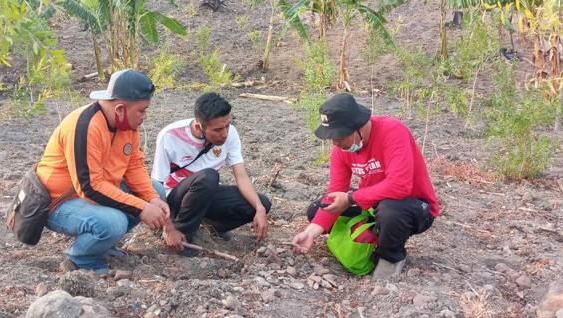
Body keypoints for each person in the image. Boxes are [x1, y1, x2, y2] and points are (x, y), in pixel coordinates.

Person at [36, 69, 186, 275]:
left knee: (156, 191)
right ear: (120, 108)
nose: (145, 116)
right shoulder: (85, 126)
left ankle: (102, 246)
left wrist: (151, 199)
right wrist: (141, 207)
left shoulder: (127, 124)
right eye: (142, 110)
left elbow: (133, 166)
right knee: (114, 222)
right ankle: (80, 258)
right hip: (57, 203)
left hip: (92, 192)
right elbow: (89, 188)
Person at [292, 93, 439, 280]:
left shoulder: (393, 131)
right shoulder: (342, 150)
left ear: (359, 127)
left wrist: (352, 198)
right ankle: (374, 236)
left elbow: (400, 185)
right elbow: (334, 193)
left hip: (412, 206)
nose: (335, 142)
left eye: (340, 136)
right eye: (332, 137)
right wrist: (310, 232)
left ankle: (390, 256)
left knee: (390, 211)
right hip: (373, 204)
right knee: (318, 209)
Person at [151, 92, 271, 256]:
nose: (225, 133)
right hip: (175, 199)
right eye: (218, 129)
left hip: (205, 193)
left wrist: (260, 209)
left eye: (227, 126)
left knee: (262, 202)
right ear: (199, 127)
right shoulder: (171, 136)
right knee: (208, 177)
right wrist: (168, 226)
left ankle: (213, 225)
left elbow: (241, 175)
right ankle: (182, 234)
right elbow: (156, 184)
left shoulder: (231, 134)